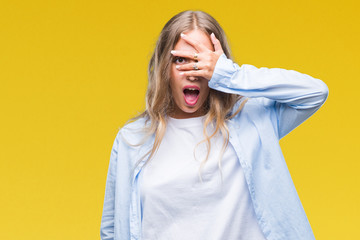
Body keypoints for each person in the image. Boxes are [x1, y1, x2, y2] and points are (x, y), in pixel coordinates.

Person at [100, 10, 328, 240]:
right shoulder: (132, 138)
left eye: (203, 60)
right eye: (181, 60)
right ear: (164, 67)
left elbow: (314, 93)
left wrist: (229, 75)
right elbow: (111, 230)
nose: (193, 72)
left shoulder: (251, 120)